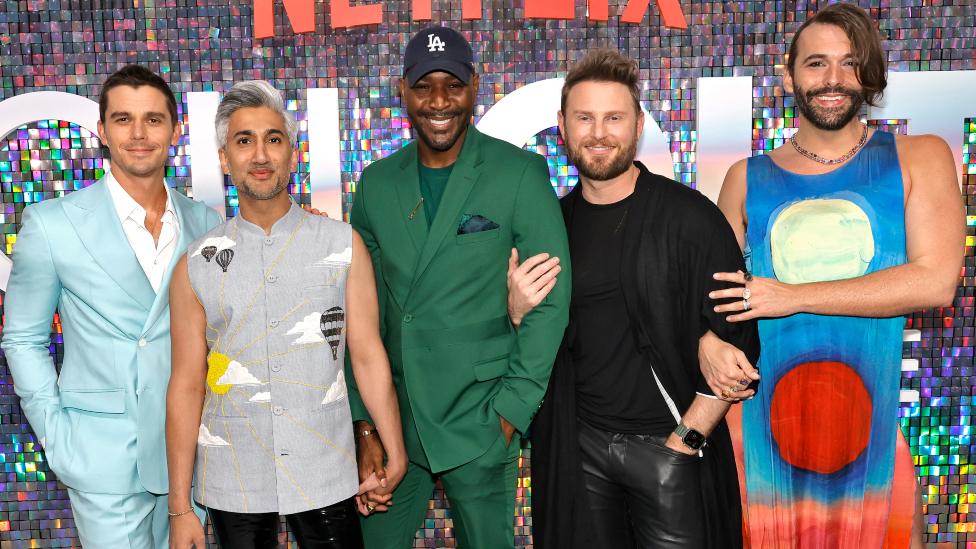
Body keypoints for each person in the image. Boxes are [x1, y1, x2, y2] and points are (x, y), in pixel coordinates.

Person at [709, 3, 965, 547]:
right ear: (789, 75)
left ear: (870, 75)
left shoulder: (920, 156)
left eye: (850, 65)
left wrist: (791, 296)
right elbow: (714, 305)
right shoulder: (743, 178)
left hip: (867, 439)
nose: (833, 80)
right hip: (760, 440)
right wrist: (709, 344)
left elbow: (936, 281)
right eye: (817, 64)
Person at [519, 48, 760, 549]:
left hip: (669, 446)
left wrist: (685, 442)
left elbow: (738, 342)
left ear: (638, 125)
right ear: (562, 126)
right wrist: (515, 312)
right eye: (584, 118)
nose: (599, 132)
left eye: (614, 117)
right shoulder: (550, 225)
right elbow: (532, 342)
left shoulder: (691, 219)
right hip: (579, 449)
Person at [347, 26, 571, 548]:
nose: (439, 101)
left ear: (476, 86)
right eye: (424, 86)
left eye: (453, 84)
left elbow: (550, 302)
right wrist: (365, 424)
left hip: (481, 417)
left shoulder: (519, 173)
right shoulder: (377, 184)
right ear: (402, 91)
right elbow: (361, 316)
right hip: (395, 417)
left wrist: (510, 414)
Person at [165, 80, 407, 549]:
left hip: (327, 468)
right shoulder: (196, 263)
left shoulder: (342, 245)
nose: (260, 154)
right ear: (223, 158)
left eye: (273, 139)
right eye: (243, 140)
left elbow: (367, 353)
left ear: (292, 155)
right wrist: (180, 507)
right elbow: (186, 385)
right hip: (233, 478)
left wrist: (393, 449)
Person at [1, 65, 222, 548]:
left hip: (192, 459)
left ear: (175, 130)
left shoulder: (207, 224)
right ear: (102, 131)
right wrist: (59, 436)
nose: (139, 134)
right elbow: (22, 339)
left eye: (153, 120)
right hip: (101, 458)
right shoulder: (52, 224)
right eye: (123, 119)